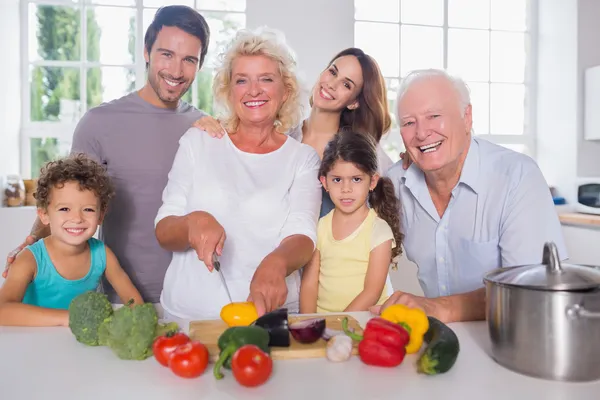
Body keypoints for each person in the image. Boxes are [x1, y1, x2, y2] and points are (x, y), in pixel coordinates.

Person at [4, 6, 211, 306]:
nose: (176, 71)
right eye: (166, 54)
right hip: (119, 298)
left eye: (189, 60)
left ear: (199, 64)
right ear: (146, 51)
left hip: (192, 297)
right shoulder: (99, 123)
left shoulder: (205, 129)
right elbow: (66, 196)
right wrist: (32, 242)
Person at [372, 69, 567, 323]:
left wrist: (439, 308)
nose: (421, 133)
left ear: (467, 118)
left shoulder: (516, 176)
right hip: (439, 338)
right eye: (409, 123)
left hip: (512, 337)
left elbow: (532, 288)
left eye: (434, 116)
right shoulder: (396, 183)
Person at [154, 27, 322, 320]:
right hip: (188, 314)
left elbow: (303, 234)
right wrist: (192, 223)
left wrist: (277, 263)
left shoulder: (302, 159)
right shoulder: (198, 142)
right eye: (241, 80)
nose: (253, 90)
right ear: (230, 92)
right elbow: (164, 229)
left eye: (266, 79)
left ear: (286, 91)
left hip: (267, 315)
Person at [192, 47, 394, 217]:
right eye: (333, 72)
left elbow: (398, 185)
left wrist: (413, 160)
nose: (332, 84)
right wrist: (213, 127)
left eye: (346, 84)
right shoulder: (283, 134)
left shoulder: (361, 152)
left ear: (354, 101)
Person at [0, 154, 143, 327]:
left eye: (88, 209)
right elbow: (3, 311)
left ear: (101, 216)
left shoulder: (102, 254)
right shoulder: (30, 259)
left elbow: (136, 305)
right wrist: (71, 318)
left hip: (78, 346)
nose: (77, 218)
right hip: (33, 345)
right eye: (65, 208)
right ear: (44, 215)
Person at [299, 131, 403, 313]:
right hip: (325, 325)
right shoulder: (320, 226)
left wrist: (340, 324)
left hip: (363, 322)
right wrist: (307, 324)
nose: (346, 189)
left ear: (372, 182)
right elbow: (309, 284)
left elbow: (372, 292)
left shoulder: (378, 230)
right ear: (325, 182)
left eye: (356, 179)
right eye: (337, 180)